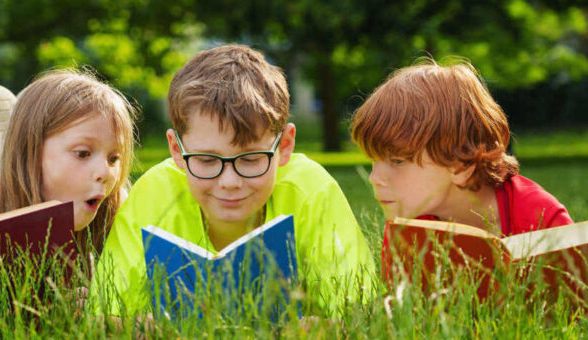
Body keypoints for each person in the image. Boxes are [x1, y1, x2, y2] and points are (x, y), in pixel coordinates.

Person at [88, 45, 375, 319]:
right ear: (177, 150)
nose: (229, 182)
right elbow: (105, 315)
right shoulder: (155, 192)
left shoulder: (311, 190)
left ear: (284, 146)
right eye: (206, 160)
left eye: (251, 159)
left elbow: (362, 312)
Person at [352, 58, 588, 314]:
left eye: (398, 161)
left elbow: (579, 297)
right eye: (374, 161)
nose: (376, 177)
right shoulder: (408, 229)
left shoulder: (540, 213)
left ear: (460, 165)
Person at [0, 69, 137, 254]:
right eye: (83, 153)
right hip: (0, 194)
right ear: (31, 152)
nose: (104, 172)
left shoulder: (116, 207)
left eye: (113, 158)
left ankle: (12, 138)